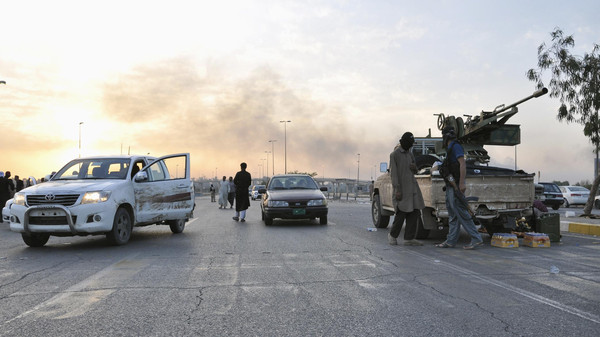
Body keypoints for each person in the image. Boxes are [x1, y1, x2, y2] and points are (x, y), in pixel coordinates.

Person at [436, 126, 484, 250]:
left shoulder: (456, 146)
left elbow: (462, 164)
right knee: (453, 215)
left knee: (462, 213)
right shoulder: (450, 148)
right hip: (450, 185)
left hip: (456, 185)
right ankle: (451, 240)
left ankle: (476, 238)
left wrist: (462, 183)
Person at [387, 132, 425, 246]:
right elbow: (393, 174)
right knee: (401, 213)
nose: (411, 145)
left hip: (412, 188)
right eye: (410, 143)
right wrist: (397, 189)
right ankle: (392, 236)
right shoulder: (394, 155)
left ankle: (409, 238)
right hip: (402, 188)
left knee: (415, 212)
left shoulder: (410, 154)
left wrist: (415, 168)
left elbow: (415, 170)